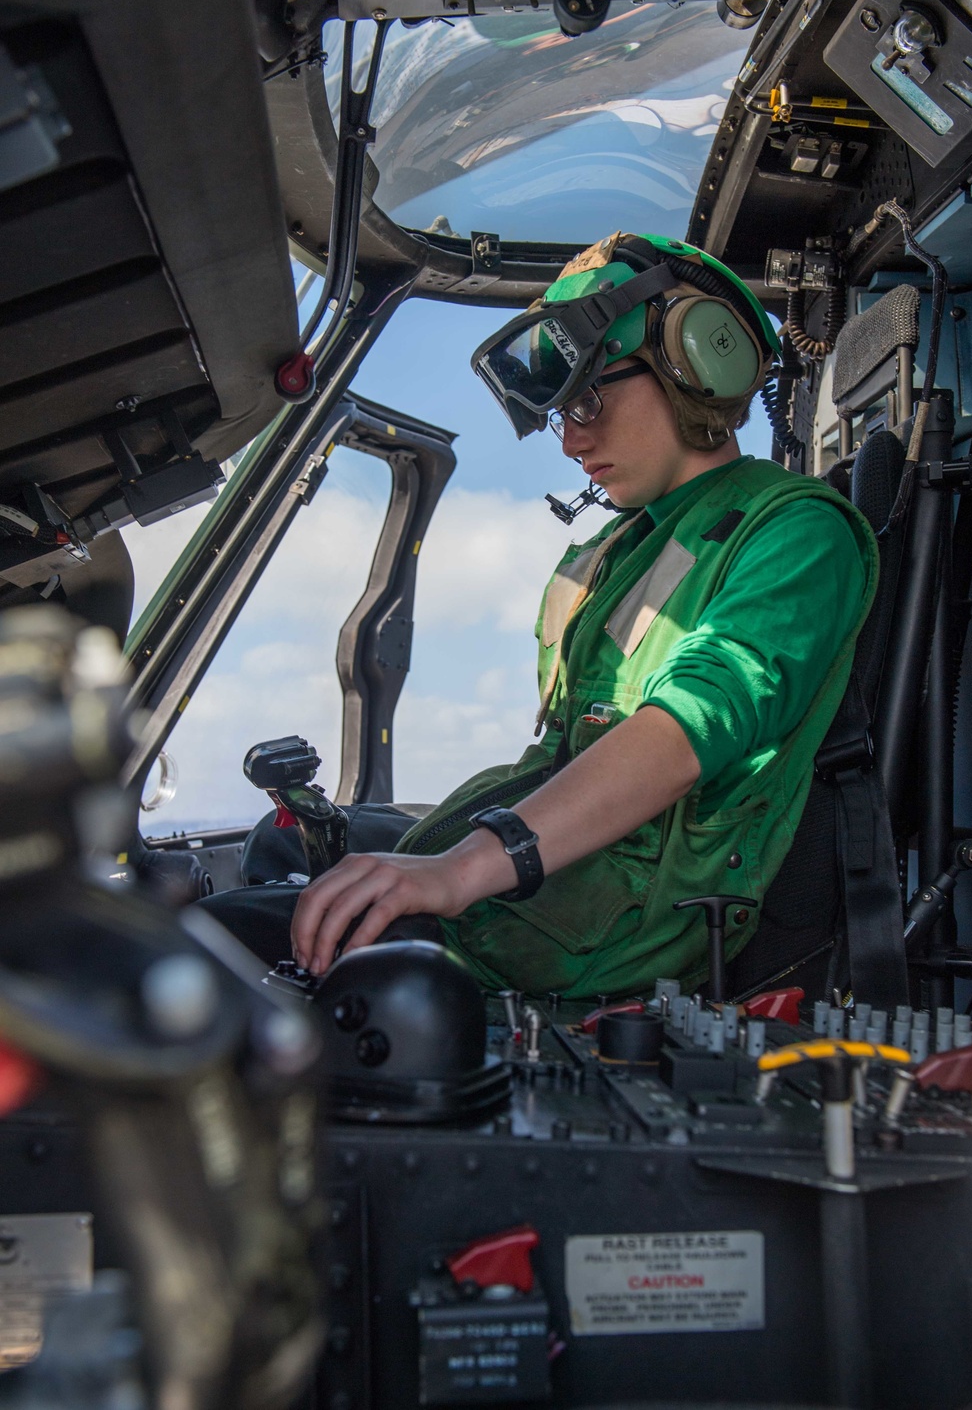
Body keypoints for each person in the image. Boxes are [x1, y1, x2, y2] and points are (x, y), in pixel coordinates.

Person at [211, 231, 877, 999]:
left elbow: (684, 731)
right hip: (566, 872)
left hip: (625, 921)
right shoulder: (621, 548)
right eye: (561, 411)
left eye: (590, 400)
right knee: (276, 854)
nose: (569, 440)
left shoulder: (796, 532)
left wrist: (461, 869)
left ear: (696, 362)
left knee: (228, 937)